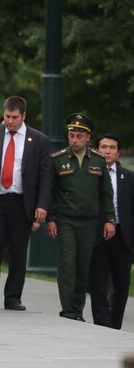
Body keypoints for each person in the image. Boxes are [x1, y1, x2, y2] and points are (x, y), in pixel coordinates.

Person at [0, 96, 51, 311]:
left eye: (14, 117)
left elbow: (45, 175)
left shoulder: (39, 139)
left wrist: (42, 204)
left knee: (18, 250)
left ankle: (13, 297)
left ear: (24, 116)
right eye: (7, 116)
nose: (10, 121)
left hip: (22, 202)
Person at [46, 114, 115, 321]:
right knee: (68, 265)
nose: (74, 139)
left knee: (83, 266)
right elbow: (49, 192)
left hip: (90, 221)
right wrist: (50, 219)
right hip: (66, 220)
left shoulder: (98, 160)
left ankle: (77, 309)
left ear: (87, 138)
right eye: (71, 135)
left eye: (78, 136)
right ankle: (68, 310)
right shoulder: (57, 160)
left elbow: (106, 194)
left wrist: (110, 220)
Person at [90, 134, 134, 329]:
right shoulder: (90, 175)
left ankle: (114, 324)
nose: (107, 151)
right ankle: (101, 323)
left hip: (122, 235)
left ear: (118, 152)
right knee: (98, 282)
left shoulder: (129, 177)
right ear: (97, 150)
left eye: (112, 148)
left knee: (122, 284)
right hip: (98, 235)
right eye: (104, 147)